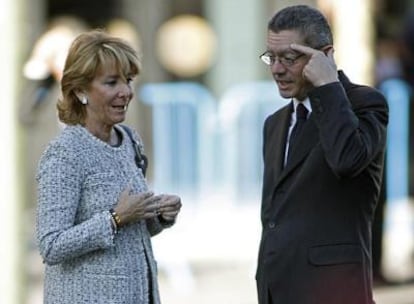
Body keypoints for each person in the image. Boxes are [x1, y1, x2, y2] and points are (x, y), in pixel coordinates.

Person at [36, 30, 182, 304]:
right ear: (80, 90)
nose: (126, 91)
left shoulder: (129, 139)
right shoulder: (65, 153)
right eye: (112, 82)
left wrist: (159, 215)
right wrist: (114, 218)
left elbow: (132, 231)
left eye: (128, 80)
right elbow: (51, 245)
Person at [255, 5, 388, 304]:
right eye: (271, 58)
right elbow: (275, 217)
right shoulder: (274, 124)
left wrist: (328, 85)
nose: (277, 69)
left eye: (289, 58)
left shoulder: (365, 103)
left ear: (324, 55)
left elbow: (347, 159)